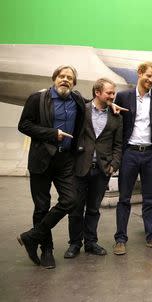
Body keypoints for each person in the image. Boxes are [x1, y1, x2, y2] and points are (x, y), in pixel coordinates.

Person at [17, 65, 86, 269]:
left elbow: (93, 105)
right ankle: (46, 250)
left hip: (65, 160)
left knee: (70, 200)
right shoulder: (37, 99)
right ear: (55, 78)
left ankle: (32, 236)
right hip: (41, 159)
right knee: (41, 207)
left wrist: (110, 105)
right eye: (62, 76)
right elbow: (24, 125)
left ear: (74, 83)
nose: (65, 80)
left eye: (69, 78)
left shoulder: (78, 100)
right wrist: (51, 134)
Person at [113, 61, 152, 255]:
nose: (151, 80)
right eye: (149, 76)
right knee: (124, 198)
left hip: (151, 154)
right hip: (129, 153)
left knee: (150, 199)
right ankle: (120, 239)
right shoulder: (123, 96)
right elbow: (117, 124)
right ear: (139, 73)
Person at [64, 78, 123, 258]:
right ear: (97, 92)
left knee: (93, 209)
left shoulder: (117, 116)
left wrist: (114, 165)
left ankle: (91, 242)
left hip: (102, 170)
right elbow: (73, 95)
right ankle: (75, 243)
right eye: (109, 93)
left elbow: (118, 145)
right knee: (75, 209)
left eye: (114, 93)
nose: (113, 96)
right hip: (80, 167)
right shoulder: (82, 111)